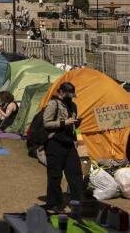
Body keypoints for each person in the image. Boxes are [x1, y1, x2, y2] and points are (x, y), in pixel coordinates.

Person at [43, 82, 83, 211]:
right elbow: (46, 123)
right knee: (55, 175)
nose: (71, 96)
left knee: (75, 173)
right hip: (55, 143)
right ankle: (54, 203)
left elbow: (73, 127)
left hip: (69, 143)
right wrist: (65, 122)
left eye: (72, 94)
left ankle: (77, 203)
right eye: (68, 94)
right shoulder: (53, 104)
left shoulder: (73, 105)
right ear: (61, 92)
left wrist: (76, 125)